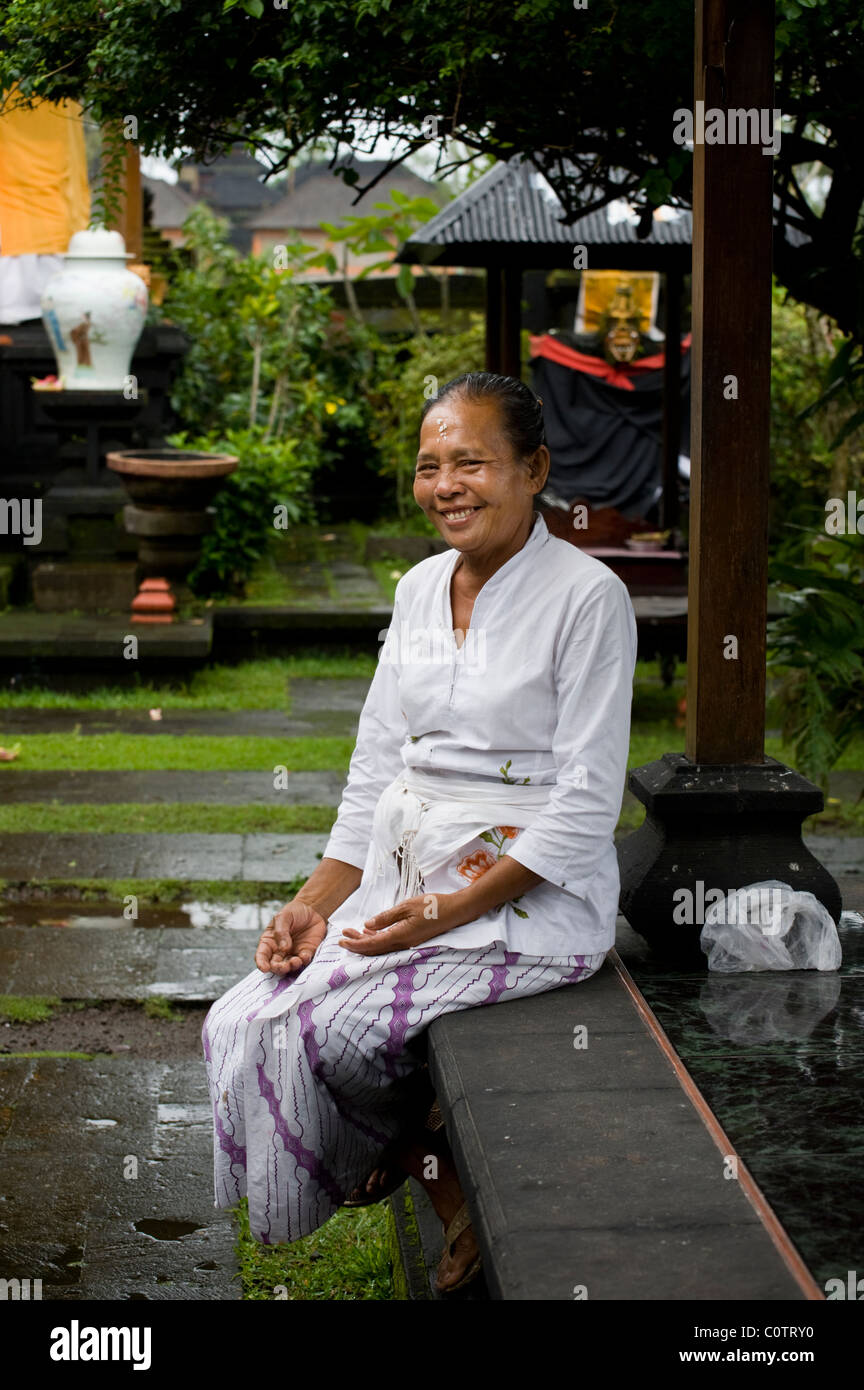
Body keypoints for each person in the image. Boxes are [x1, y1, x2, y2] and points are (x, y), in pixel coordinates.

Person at [202, 372, 638, 1294]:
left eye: (471, 462)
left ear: (534, 469)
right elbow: (373, 768)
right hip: (402, 882)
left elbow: (591, 798)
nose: (447, 485)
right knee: (238, 1023)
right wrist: (315, 902)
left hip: (523, 902)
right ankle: (430, 1164)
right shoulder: (416, 588)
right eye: (429, 466)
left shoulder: (588, 597)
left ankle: (431, 1170)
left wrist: (453, 909)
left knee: (329, 1037)